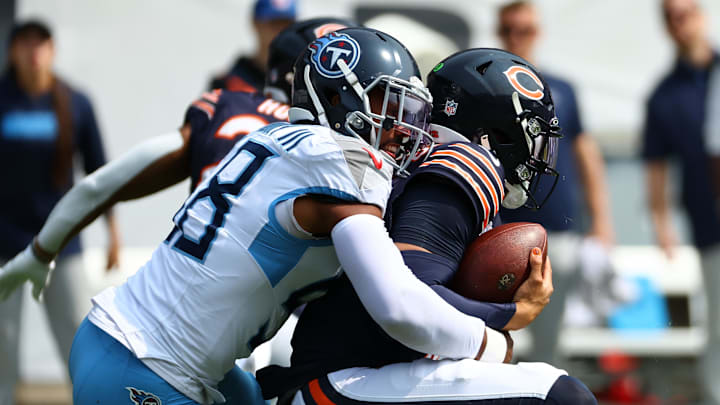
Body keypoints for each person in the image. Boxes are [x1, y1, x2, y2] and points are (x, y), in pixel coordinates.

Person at [4, 27, 503, 405]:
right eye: (387, 105)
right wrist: (492, 342)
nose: (400, 127)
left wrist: (41, 250)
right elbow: (398, 307)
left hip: (133, 346)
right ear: (337, 97)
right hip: (147, 367)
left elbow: (102, 182)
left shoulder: (270, 136)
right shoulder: (347, 162)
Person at [256, 48, 597, 405]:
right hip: (342, 381)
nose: (537, 154)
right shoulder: (462, 163)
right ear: (497, 133)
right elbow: (414, 290)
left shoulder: (418, 163)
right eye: (531, 134)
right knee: (559, 395)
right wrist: (513, 314)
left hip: (354, 374)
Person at [0, 19, 120, 404]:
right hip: (5, 242)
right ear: (12, 52)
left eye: (40, 44)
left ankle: (88, 398)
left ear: (52, 51)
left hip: (60, 242)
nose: (32, 53)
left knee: (76, 334)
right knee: (4, 338)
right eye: (24, 44)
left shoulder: (75, 103)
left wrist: (112, 232)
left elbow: (100, 173)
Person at [495, 0, 615, 364]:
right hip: (502, 228)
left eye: (526, 30)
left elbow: (586, 155)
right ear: (499, 33)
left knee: (551, 339)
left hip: (557, 228)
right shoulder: (485, 90)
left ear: (538, 32)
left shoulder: (561, 89)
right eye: (510, 30)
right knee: (496, 334)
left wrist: (602, 220)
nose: (518, 38)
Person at [643, 0, 720, 403]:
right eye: (673, 16)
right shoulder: (663, 96)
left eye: (687, 12)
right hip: (711, 224)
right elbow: (656, 167)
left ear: (702, 15)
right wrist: (662, 223)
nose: (682, 21)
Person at [209, 0, 297, 92]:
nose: (280, 30)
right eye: (274, 23)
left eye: (287, 24)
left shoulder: (298, 80)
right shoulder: (228, 83)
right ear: (256, 23)